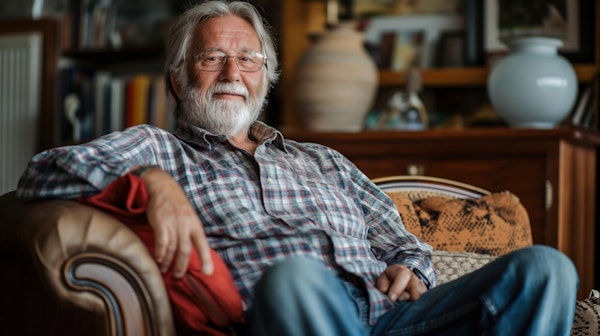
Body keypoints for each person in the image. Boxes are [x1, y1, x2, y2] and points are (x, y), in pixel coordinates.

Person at [17, 1, 578, 335]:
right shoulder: (159, 149)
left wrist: (415, 272)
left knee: (546, 270)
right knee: (296, 276)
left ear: (266, 77)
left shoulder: (323, 160)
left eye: (249, 59)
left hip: (391, 319)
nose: (233, 71)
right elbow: (40, 175)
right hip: (292, 311)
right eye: (212, 57)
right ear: (177, 79)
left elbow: (404, 243)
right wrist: (151, 182)